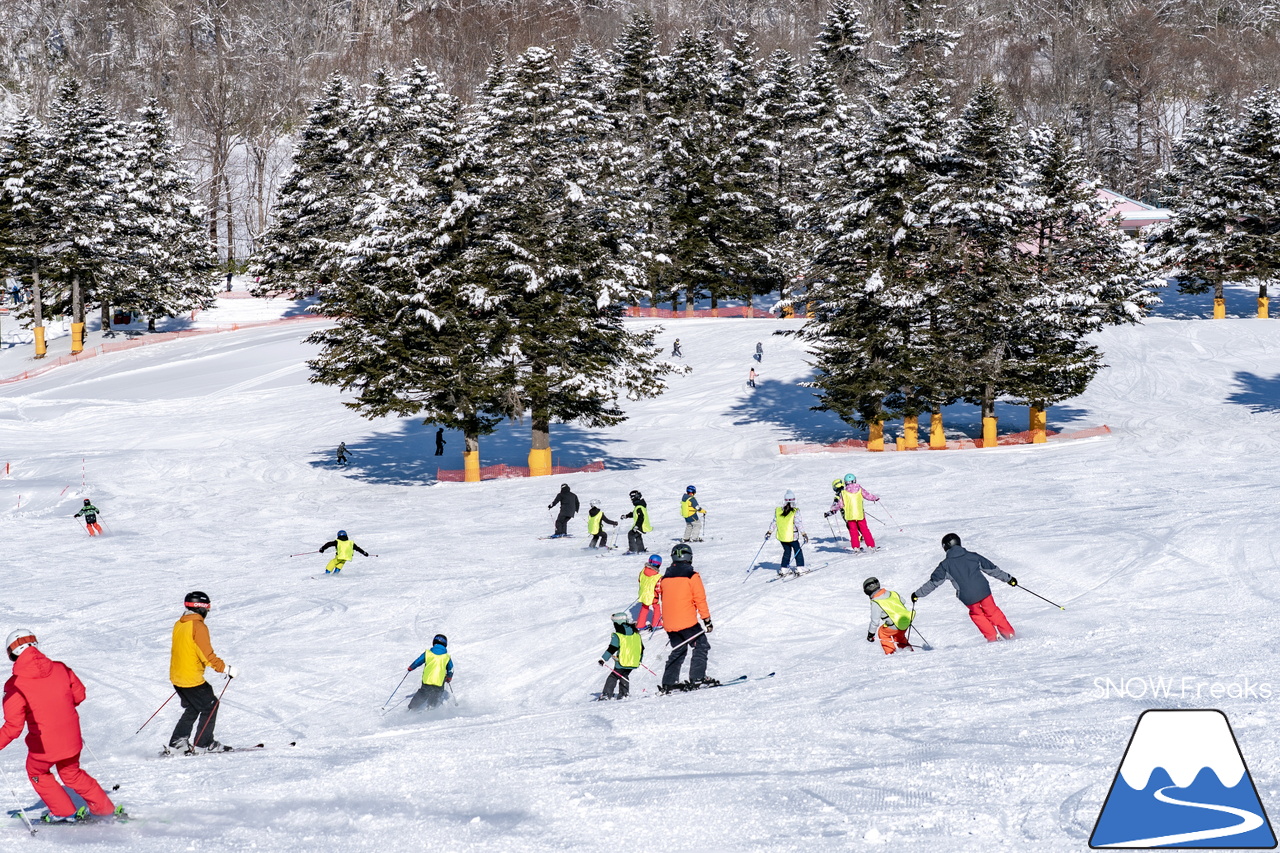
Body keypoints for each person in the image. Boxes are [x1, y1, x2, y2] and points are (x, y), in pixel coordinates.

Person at [0, 630, 121, 823]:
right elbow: (79, 695)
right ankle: (103, 808)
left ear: (13, 653)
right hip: (71, 738)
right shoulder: (60, 668)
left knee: (37, 772)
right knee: (71, 772)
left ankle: (63, 812)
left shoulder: (15, 685)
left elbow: (13, 727)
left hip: (44, 745)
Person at [911, 534, 1016, 642]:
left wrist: (917, 594)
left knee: (977, 614)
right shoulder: (973, 556)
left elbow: (933, 583)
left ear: (945, 547)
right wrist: (1009, 579)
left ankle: (993, 637)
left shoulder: (945, 565)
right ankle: (1009, 633)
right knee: (992, 611)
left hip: (968, 596)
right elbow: (992, 569)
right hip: (984, 591)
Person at [168, 592, 236, 754]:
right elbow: (206, 655)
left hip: (177, 676)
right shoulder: (198, 626)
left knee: (192, 707)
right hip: (191, 678)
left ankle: (178, 743)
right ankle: (204, 744)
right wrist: (225, 668)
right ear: (202, 609)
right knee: (211, 706)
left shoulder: (180, 623)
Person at [659, 544, 715, 691]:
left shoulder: (665, 578)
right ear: (689, 557)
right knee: (701, 645)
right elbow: (700, 599)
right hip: (687, 622)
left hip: (670, 624)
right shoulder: (692, 576)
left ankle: (669, 682)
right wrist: (707, 620)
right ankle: (697, 678)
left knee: (679, 649)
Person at [825, 473, 879, 551]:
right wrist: (875, 498)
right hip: (860, 514)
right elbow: (868, 495)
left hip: (849, 516)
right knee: (864, 530)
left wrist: (833, 510)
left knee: (853, 532)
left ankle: (856, 547)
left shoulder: (843, 493)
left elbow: (839, 504)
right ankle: (871, 545)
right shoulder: (860, 489)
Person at [598, 613, 643, 700]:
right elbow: (641, 648)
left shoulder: (618, 635)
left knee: (614, 676)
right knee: (624, 675)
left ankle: (606, 694)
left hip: (622, 661)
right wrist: (639, 660)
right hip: (634, 661)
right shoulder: (636, 634)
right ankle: (624, 693)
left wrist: (603, 659)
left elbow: (612, 648)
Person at [864, 577, 913, 655]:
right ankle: (908, 650)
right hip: (906, 620)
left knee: (882, 632)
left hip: (895, 624)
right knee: (899, 636)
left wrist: (871, 634)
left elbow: (874, 621)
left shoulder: (876, 602)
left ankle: (890, 653)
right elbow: (903, 601)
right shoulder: (892, 593)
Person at [766, 490, 808, 577]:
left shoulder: (778, 510)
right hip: (792, 536)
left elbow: (774, 522)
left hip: (782, 536)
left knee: (787, 551)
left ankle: (784, 568)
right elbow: (798, 523)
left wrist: (769, 532)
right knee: (798, 550)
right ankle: (800, 567)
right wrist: (804, 534)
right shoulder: (795, 511)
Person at [407, 634, 453, 710]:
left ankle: (412, 708)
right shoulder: (446, 657)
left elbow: (418, 661)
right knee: (436, 694)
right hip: (439, 682)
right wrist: (449, 677)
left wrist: (411, 668)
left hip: (427, 680)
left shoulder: (428, 653)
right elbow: (451, 669)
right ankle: (432, 708)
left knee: (422, 693)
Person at [637, 554, 663, 631]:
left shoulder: (642, 571)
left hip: (643, 594)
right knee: (656, 608)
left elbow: (640, 580)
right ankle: (656, 624)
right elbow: (659, 589)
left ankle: (640, 625)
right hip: (653, 596)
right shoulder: (658, 577)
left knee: (644, 608)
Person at [621, 490, 652, 554]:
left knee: (631, 534)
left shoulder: (639, 507)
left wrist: (636, 526)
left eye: (631, 498)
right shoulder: (639, 506)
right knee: (638, 536)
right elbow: (634, 514)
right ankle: (641, 550)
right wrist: (626, 516)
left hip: (641, 526)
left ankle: (633, 550)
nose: (631, 500)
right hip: (642, 526)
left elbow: (641, 518)